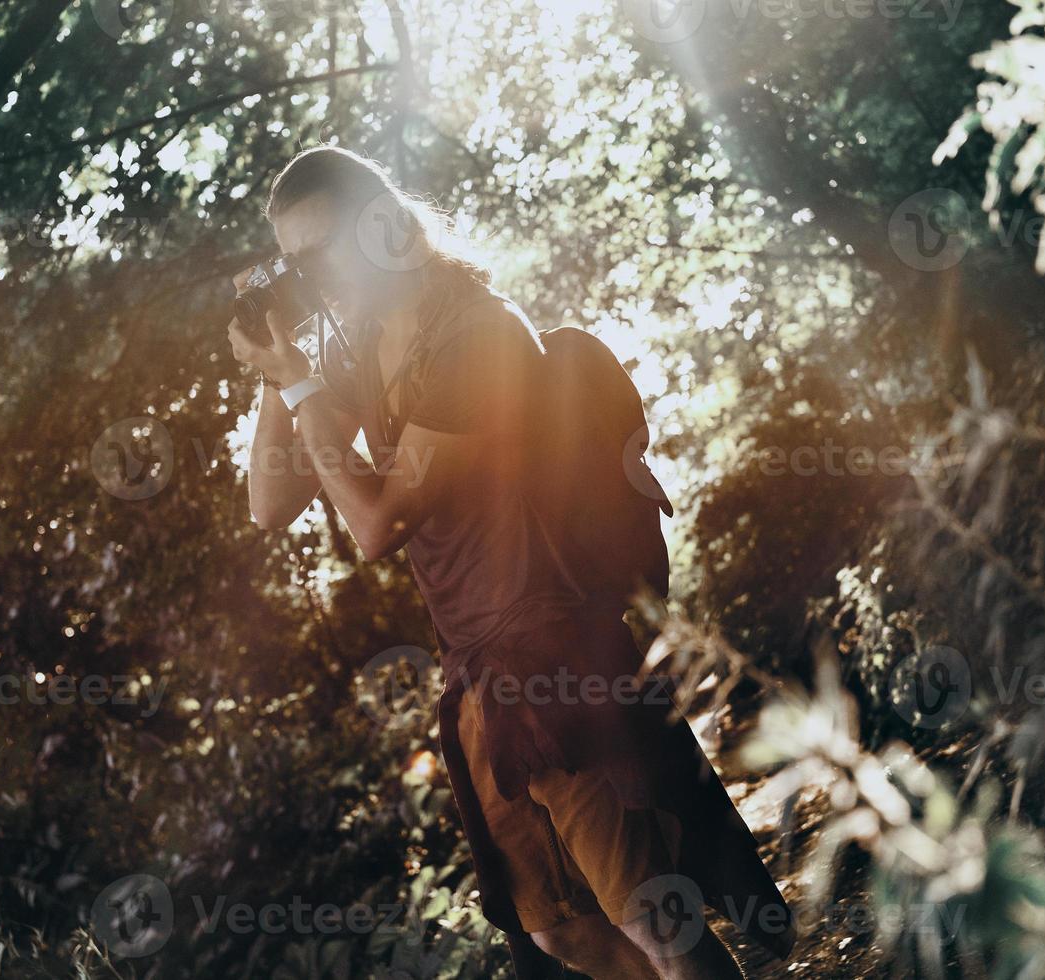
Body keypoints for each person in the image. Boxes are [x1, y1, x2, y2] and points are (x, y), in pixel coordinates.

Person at [228, 145, 795, 979]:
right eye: (292, 268)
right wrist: (279, 372)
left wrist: (305, 391)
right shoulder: (360, 349)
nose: (310, 282)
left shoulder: (478, 336)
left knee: (658, 921)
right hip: (479, 682)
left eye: (319, 257)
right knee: (558, 932)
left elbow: (377, 523)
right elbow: (269, 504)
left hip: (557, 658)